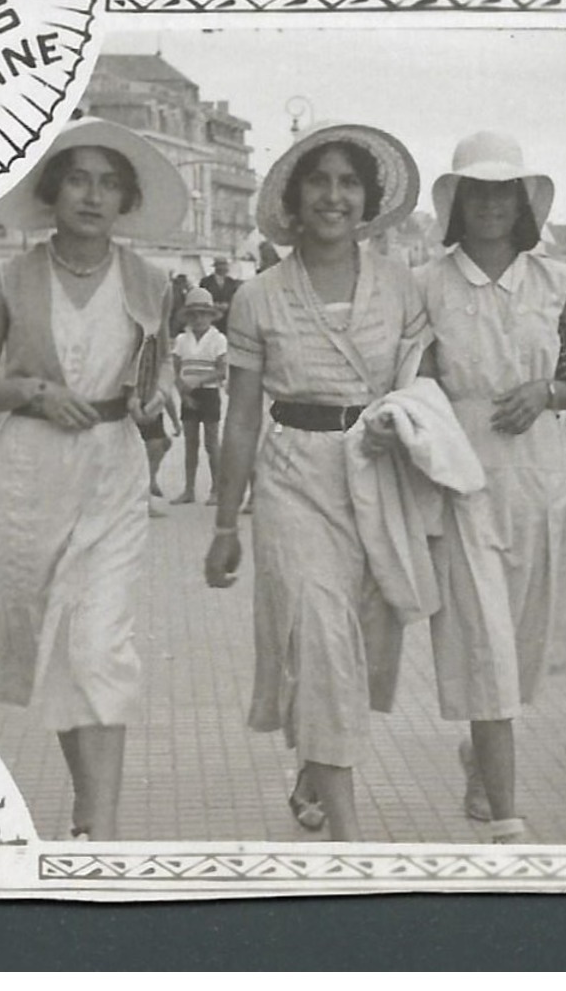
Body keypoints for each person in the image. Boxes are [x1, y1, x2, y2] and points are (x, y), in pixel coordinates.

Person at [0, 117, 185, 841]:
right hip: (31, 472)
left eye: (108, 183)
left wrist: (152, 394)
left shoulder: (152, 283)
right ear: (52, 191)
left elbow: (152, 373)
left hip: (113, 471)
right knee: (58, 644)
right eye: (78, 179)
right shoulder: (2, 281)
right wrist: (33, 392)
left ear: (125, 199)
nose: (92, 196)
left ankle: (100, 830)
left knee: (98, 642)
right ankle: (86, 810)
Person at [204, 123, 428, 841]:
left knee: (361, 639)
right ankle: (349, 835)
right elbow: (239, 418)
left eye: (348, 183)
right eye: (319, 182)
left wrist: (407, 421)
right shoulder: (258, 296)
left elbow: (424, 382)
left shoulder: (400, 285)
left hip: (378, 471)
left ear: (366, 200)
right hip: (292, 473)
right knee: (320, 635)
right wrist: (222, 522)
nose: (334, 196)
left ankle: (314, 766)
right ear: (295, 199)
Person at [417, 130, 566, 838]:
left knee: (519, 645)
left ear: (522, 201)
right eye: (477, 191)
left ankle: (480, 757)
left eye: (502, 192)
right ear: (458, 201)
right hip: (461, 480)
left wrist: (547, 392)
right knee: (483, 640)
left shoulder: (556, 278)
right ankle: (507, 816)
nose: (490, 204)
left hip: (541, 483)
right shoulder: (426, 281)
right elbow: (413, 376)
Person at [170, 287, 227, 505]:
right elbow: (174, 369)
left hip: (209, 393)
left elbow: (223, 370)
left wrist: (198, 381)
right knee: (190, 443)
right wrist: (183, 391)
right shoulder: (182, 339)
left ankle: (216, 490)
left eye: (203, 313)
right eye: (193, 314)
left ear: (211, 316)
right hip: (188, 394)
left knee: (212, 443)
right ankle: (189, 490)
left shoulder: (218, 339)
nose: (198, 318)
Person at [199, 254, 243, 335]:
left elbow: (236, 299)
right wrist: (213, 305)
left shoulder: (231, 282)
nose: (225, 268)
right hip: (211, 318)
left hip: (227, 319)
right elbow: (202, 298)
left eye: (225, 265)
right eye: (222, 265)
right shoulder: (206, 282)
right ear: (216, 267)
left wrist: (228, 305)